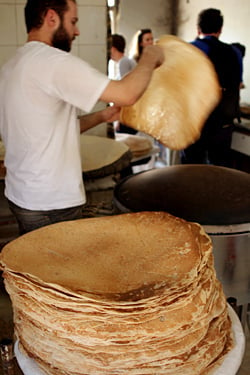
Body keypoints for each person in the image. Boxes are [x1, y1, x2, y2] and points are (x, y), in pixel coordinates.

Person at [0, 0, 164, 235]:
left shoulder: (12, 65)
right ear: (51, 18)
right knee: (59, 269)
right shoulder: (51, 62)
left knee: (35, 266)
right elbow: (126, 93)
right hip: (52, 203)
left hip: (23, 196)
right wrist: (149, 57)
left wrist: (102, 116)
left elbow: (51, 129)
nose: (77, 31)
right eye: (73, 21)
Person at [180, 8, 242, 167]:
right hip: (223, 122)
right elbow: (237, 84)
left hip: (195, 121)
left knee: (190, 168)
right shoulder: (235, 53)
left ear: (198, 29)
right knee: (220, 169)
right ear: (220, 29)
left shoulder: (189, 49)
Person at [109, 34, 137, 134]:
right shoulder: (127, 61)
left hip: (128, 114)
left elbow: (124, 91)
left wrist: (119, 118)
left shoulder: (123, 63)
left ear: (112, 49)